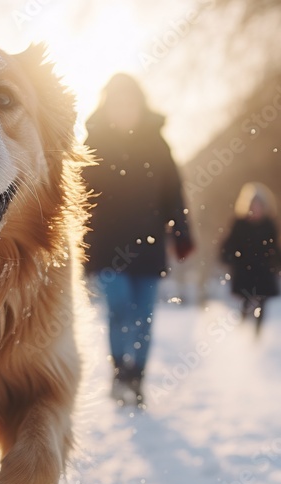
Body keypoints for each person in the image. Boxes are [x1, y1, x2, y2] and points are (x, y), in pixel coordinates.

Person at [84, 74, 194, 408]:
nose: (124, 109)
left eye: (129, 102)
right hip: (106, 245)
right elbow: (78, 197)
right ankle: (120, 373)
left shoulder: (157, 144)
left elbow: (173, 193)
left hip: (147, 244)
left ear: (139, 105)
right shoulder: (94, 143)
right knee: (118, 309)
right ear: (107, 106)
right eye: (117, 102)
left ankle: (138, 378)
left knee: (144, 315)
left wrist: (182, 232)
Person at [220, 182, 281, 335]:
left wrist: (280, 262)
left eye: (259, 205)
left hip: (264, 271)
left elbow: (276, 247)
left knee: (262, 304)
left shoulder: (270, 225)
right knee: (245, 303)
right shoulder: (239, 224)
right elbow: (228, 246)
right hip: (244, 271)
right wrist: (228, 258)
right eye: (253, 205)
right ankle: (242, 335)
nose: (255, 209)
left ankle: (257, 336)